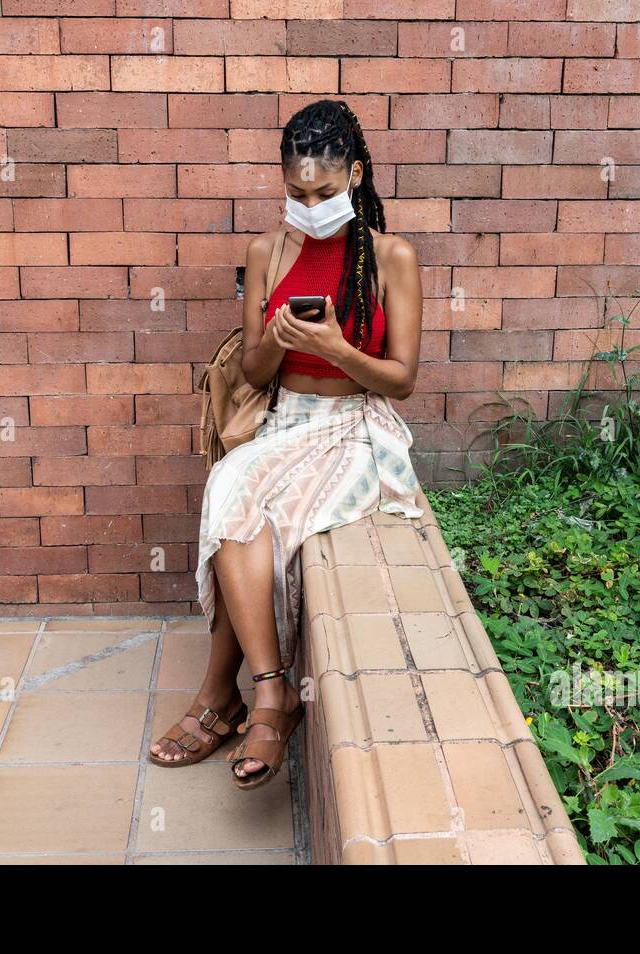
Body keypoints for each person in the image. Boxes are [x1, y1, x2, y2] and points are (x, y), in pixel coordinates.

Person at [149, 99, 425, 790]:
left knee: (269, 524)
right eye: (296, 195)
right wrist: (276, 338)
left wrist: (336, 348)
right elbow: (252, 373)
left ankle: (227, 697)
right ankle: (270, 694)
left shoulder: (392, 257)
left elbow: (402, 379)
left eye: (324, 193)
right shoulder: (266, 253)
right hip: (283, 423)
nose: (310, 207)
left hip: (354, 427)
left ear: (355, 175)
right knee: (232, 493)